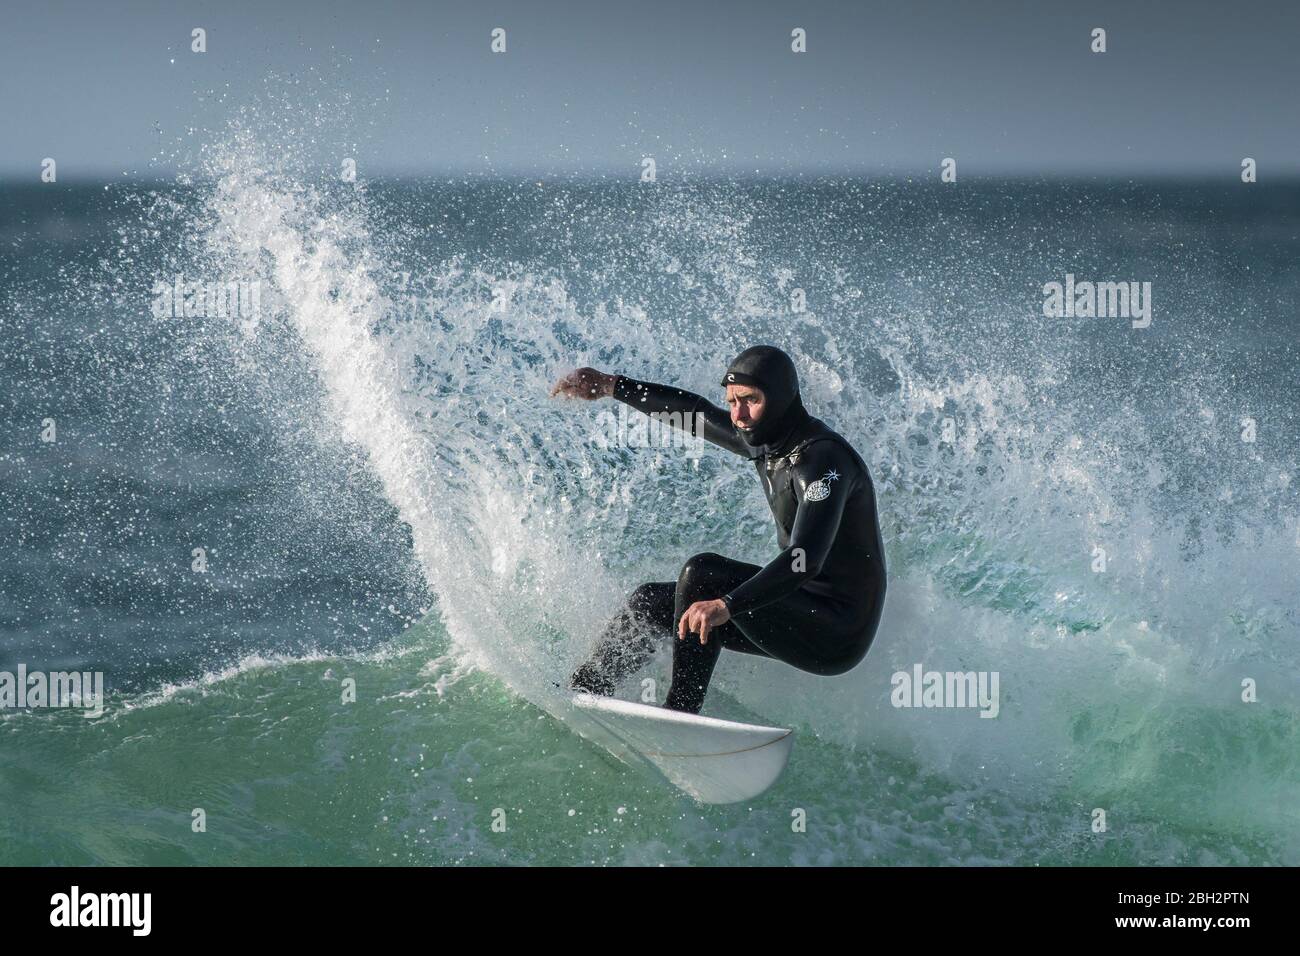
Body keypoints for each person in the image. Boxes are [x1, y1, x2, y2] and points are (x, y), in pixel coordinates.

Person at [550, 345, 886, 714]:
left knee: (704, 575)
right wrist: (611, 385)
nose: (739, 415)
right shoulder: (765, 439)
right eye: (732, 401)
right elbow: (694, 414)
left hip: (836, 631)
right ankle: (583, 691)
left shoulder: (822, 461)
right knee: (651, 604)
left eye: (750, 401)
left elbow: (803, 560)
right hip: (796, 608)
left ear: (782, 398)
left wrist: (728, 604)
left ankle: (681, 712)